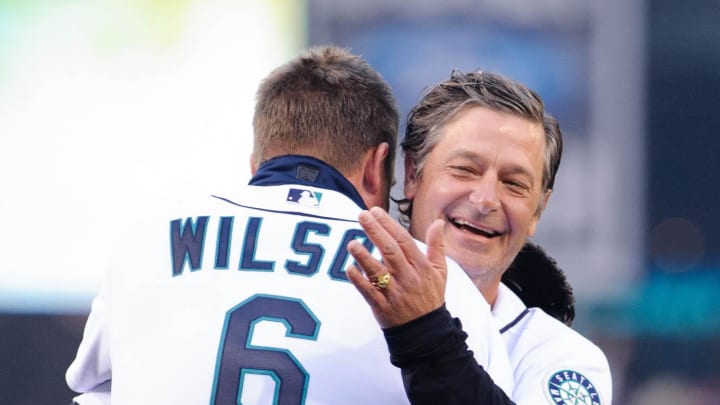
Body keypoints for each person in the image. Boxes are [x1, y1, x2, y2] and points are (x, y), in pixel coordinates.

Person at [65, 46, 514, 404]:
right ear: (378, 166)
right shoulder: (435, 284)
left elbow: (90, 382)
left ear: (257, 160)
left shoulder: (150, 237)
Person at [347, 70, 612, 404]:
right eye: (465, 170)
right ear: (413, 175)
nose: (486, 199)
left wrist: (423, 333)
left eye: (514, 183)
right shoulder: (331, 306)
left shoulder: (562, 357)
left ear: (537, 211)